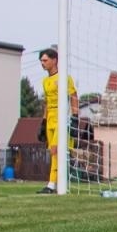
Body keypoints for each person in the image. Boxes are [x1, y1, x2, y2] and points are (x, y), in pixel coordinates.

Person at [38, 46, 78, 194]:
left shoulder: (64, 78)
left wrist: (75, 117)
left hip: (61, 117)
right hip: (50, 119)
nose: (42, 63)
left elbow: (73, 96)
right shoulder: (45, 81)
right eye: (41, 61)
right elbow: (47, 102)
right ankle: (55, 182)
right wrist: (43, 122)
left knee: (56, 150)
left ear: (54, 60)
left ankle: (52, 184)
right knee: (52, 151)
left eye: (45, 60)